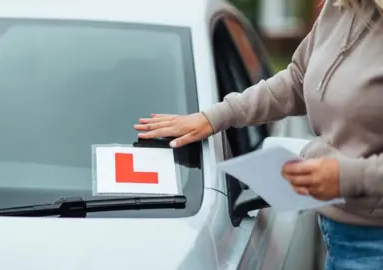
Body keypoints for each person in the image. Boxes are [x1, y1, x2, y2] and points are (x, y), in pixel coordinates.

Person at [134, 1, 383, 269]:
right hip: (339, 231)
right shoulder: (342, 7)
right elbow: (298, 80)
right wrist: (215, 116)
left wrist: (348, 177)